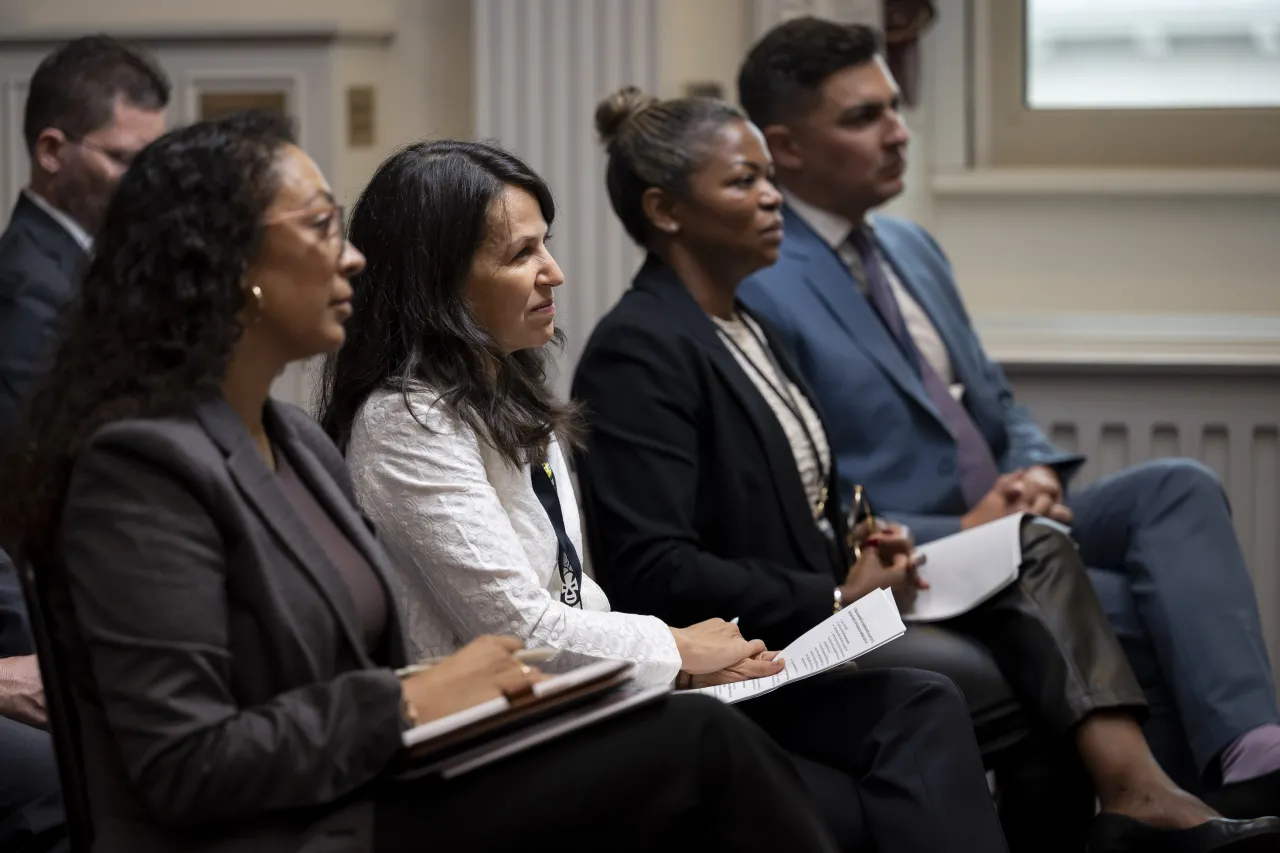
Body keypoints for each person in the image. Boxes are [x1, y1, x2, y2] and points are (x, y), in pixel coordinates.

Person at [0, 111, 846, 853]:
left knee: (707, 743)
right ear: (231, 264)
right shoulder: (139, 468)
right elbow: (183, 765)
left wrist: (434, 700)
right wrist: (408, 700)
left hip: (378, 781)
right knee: (699, 745)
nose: (357, 257)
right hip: (287, 829)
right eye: (324, 226)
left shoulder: (293, 438)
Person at [569, 85, 1280, 853]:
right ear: (665, 210)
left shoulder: (747, 325)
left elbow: (785, 501)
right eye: (744, 181)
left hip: (826, 598)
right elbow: (651, 568)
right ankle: (1138, 801)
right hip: (762, 640)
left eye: (770, 175)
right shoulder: (639, 348)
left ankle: (1137, 800)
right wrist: (836, 590)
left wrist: (860, 542)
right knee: (1027, 664)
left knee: (1033, 540)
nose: (774, 197)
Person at [320, 138, 1011, 853]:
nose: (554, 272)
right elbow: (522, 629)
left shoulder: (509, 395)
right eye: (520, 255)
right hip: (507, 734)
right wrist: (678, 647)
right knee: (857, 799)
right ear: (439, 282)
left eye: (545, 245)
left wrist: (686, 662)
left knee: (918, 703)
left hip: (595, 694)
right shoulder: (405, 419)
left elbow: (572, 593)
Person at [733, 15, 1280, 813]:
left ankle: (1253, 755)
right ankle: (1197, 817)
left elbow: (992, 399)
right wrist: (968, 524)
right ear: (784, 147)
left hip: (1021, 530)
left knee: (1179, 484)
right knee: (1133, 609)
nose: (898, 133)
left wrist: (1033, 473)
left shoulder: (912, 246)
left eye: (894, 107)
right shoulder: (760, 281)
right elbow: (807, 487)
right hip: (923, 548)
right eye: (864, 117)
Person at [0, 35, 169, 853]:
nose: (145, 185)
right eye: (124, 160)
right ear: (52, 150)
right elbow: (25, 496)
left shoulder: (86, 268)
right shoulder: (31, 291)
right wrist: (24, 657)